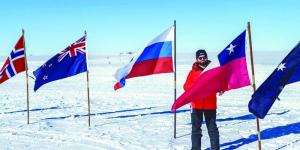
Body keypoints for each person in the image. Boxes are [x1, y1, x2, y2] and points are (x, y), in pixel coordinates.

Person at [183, 49, 221, 150]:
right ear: (197, 59)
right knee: (196, 129)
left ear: (207, 57)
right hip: (196, 105)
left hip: (210, 105)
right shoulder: (193, 72)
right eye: (200, 58)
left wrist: (221, 89)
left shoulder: (213, 70)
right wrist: (197, 86)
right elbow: (186, 87)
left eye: (204, 57)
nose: (202, 59)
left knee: (212, 129)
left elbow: (219, 83)